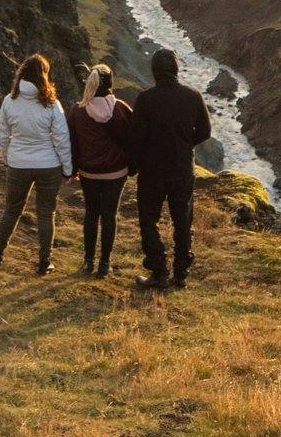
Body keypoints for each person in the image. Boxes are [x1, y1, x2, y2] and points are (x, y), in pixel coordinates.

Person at [131, 45, 212, 290]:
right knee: (182, 220)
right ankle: (180, 273)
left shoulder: (145, 100)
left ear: (155, 72)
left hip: (152, 170)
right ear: (176, 70)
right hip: (182, 169)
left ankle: (158, 271)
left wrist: (133, 165)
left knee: (149, 219)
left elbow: (136, 138)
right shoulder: (193, 96)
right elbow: (206, 131)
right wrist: (186, 144)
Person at [0, 52, 74, 274]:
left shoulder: (10, 101)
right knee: (46, 213)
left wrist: (8, 158)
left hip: (18, 163)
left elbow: (2, 134)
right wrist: (67, 168)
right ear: (43, 75)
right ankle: (44, 262)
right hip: (48, 165)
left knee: (12, 209)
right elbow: (61, 139)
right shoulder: (51, 104)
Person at [68, 64, 136, 276]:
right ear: (110, 84)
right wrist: (132, 166)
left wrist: (73, 168)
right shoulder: (121, 109)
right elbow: (133, 140)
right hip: (116, 173)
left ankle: (88, 261)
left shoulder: (78, 111)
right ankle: (104, 264)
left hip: (88, 172)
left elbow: (71, 142)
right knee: (109, 215)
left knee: (91, 214)